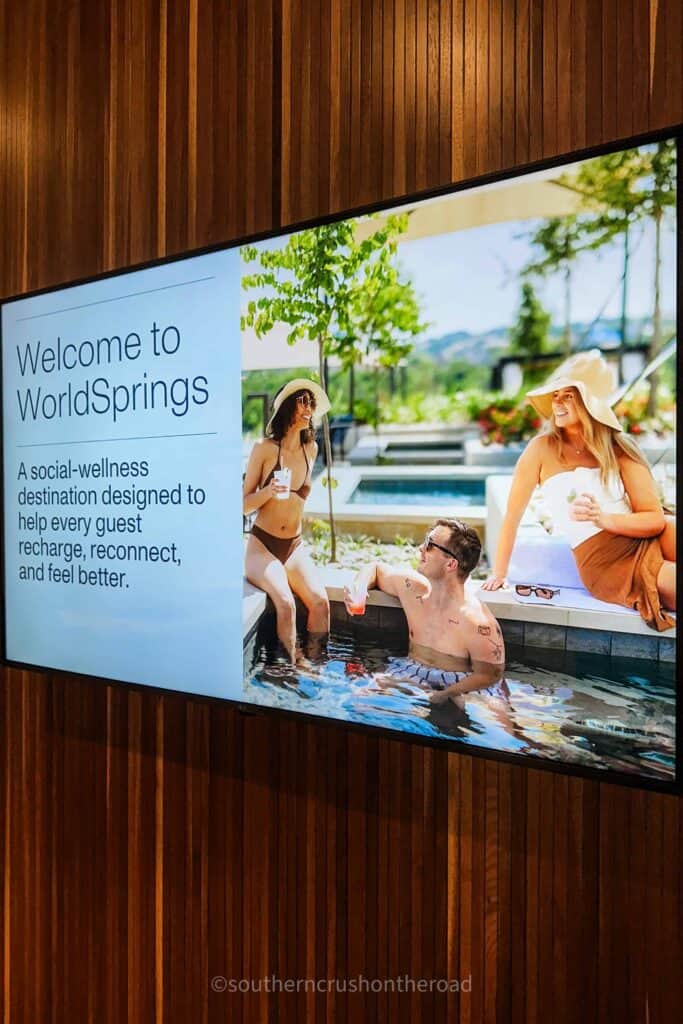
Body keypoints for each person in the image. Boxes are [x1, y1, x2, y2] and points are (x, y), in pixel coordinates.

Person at [481, 350, 676, 631]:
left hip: (644, 536)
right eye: (555, 395)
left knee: (671, 526)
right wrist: (499, 573)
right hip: (606, 564)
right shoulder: (540, 449)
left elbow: (653, 519)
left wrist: (604, 519)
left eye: (567, 395)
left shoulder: (619, 447)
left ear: (589, 402)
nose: (557, 403)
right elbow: (512, 516)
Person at [344, 518, 506, 704]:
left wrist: (444, 695)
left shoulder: (477, 623)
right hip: (409, 670)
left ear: (450, 564)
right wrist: (360, 588)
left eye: (430, 544)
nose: (421, 547)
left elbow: (489, 676)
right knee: (357, 702)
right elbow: (376, 568)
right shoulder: (412, 590)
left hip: (457, 684)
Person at [243, 378, 331, 660]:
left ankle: (315, 665)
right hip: (262, 546)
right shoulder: (265, 448)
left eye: (311, 402)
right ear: (286, 408)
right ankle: (290, 670)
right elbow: (242, 506)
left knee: (320, 603)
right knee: (285, 604)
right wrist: (268, 491)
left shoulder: (311, 450)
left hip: (294, 545)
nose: (309, 408)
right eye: (302, 401)